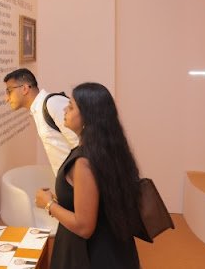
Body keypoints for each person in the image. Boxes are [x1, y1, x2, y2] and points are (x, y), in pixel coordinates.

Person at [35, 82, 141, 269]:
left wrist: (48, 204)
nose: (65, 110)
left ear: (87, 116)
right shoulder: (109, 150)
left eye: (71, 107)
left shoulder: (84, 162)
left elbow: (84, 227)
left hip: (91, 255)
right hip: (115, 249)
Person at [3, 68, 79, 175]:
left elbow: (80, 143)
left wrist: (79, 181)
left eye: (9, 91)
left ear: (25, 89)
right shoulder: (38, 109)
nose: (6, 98)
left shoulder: (52, 104)